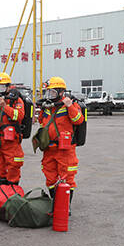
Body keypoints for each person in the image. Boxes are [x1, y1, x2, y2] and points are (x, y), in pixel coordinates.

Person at [38, 76, 84, 205]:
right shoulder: (47, 106)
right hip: (49, 149)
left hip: (65, 150)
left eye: (52, 92)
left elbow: (78, 120)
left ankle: (65, 207)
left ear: (61, 92)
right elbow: (42, 122)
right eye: (48, 92)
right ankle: (56, 204)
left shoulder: (70, 105)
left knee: (67, 178)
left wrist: (69, 106)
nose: (49, 95)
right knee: (50, 178)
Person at [0, 72, 25, 185]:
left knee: (13, 163)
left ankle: (13, 187)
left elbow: (19, 116)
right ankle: (1, 184)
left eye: (2, 87)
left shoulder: (16, 101)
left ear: (8, 87)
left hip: (10, 140)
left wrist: (5, 107)